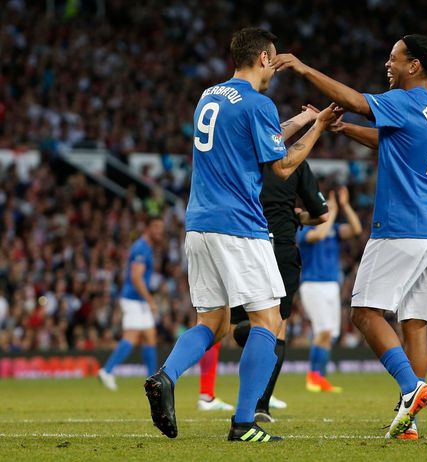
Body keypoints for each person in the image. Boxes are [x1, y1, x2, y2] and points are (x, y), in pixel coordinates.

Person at [143, 27, 338, 442]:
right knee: (269, 320)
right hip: (241, 227)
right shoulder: (259, 103)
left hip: (199, 225)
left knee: (212, 323)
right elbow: (282, 167)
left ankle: (165, 376)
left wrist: (301, 120)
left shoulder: (209, 96)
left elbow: (251, 140)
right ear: (266, 58)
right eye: (275, 62)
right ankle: (244, 422)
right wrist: (318, 127)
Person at [270, 34, 427, 439]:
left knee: (364, 312)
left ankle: (411, 389)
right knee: (415, 324)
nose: (387, 65)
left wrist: (303, 68)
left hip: (403, 228)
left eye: (394, 59)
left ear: (414, 66)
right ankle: (410, 421)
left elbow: (357, 100)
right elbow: (392, 141)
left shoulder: (404, 100)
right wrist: (344, 129)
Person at [199, 153, 329, 421]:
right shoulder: (297, 163)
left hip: (243, 247)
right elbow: (321, 215)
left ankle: (227, 382)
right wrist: (298, 218)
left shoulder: (243, 159)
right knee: (276, 328)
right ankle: (260, 405)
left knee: (233, 328)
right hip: (280, 247)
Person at [298, 186, 362, 393]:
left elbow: (356, 229)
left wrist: (344, 206)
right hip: (313, 284)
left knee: (330, 334)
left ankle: (320, 377)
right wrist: (332, 211)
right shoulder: (305, 229)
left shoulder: (334, 229)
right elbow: (319, 234)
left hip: (331, 285)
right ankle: (313, 376)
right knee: (323, 330)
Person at [98, 216, 165, 391]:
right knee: (132, 336)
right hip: (133, 299)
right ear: (148, 228)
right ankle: (107, 370)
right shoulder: (141, 248)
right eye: (156, 227)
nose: (159, 231)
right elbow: (136, 277)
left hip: (138, 300)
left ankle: (152, 380)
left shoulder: (147, 247)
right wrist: (150, 299)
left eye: (161, 228)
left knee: (150, 336)